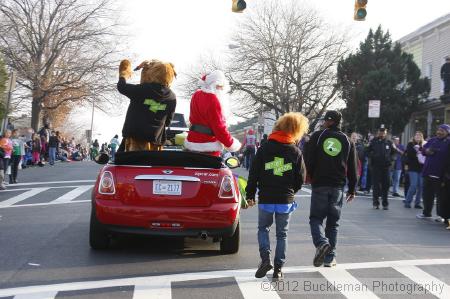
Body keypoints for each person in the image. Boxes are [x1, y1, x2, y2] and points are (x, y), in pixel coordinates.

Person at [246, 112, 308, 280]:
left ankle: (265, 259)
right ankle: (278, 269)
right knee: (282, 234)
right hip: (285, 200)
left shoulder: (264, 148)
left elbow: (254, 173)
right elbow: (301, 178)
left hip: (266, 198)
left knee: (263, 229)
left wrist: (250, 194)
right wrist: (291, 192)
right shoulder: (295, 151)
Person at [304, 110, 358, 268]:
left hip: (320, 183)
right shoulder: (347, 140)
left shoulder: (318, 136)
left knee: (316, 219)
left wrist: (311, 176)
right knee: (333, 223)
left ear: (328, 121)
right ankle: (329, 258)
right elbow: (353, 167)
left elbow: (309, 159)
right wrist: (352, 188)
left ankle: (321, 243)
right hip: (338, 185)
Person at [117, 59, 177, 151]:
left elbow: (122, 87)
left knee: (132, 164)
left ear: (152, 73)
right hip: (155, 143)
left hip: (135, 140)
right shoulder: (172, 97)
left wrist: (124, 74)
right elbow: (168, 121)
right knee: (152, 165)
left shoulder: (143, 89)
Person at [184, 70, 241, 156]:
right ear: (213, 85)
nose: (221, 89)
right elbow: (219, 128)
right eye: (219, 86)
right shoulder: (213, 100)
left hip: (192, 142)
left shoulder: (196, 95)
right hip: (208, 146)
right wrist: (231, 144)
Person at [417, 124, 450, 223]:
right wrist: (426, 151)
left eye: (442, 130)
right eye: (438, 130)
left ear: (447, 132)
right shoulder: (432, 140)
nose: (439, 132)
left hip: (440, 174)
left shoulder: (448, 142)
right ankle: (426, 212)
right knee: (427, 194)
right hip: (428, 172)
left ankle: (441, 215)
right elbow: (423, 150)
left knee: (441, 196)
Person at [367, 127, 396, 210]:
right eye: (380, 132)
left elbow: (394, 153)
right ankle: (375, 203)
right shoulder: (373, 141)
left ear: (386, 133)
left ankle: (385, 203)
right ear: (378, 132)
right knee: (376, 186)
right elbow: (367, 151)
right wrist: (373, 156)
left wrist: (391, 159)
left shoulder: (389, 142)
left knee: (386, 186)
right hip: (376, 167)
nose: (382, 134)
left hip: (386, 167)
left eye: (384, 132)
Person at [404, 132, 426, 209]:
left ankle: (417, 203)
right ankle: (407, 202)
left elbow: (425, 154)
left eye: (420, 135)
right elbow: (410, 154)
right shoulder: (410, 144)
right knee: (413, 185)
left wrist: (420, 150)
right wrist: (418, 152)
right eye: (416, 135)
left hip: (421, 168)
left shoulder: (423, 145)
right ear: (414, 136)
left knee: (421, 186)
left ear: (422, 137)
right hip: (412, 168)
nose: (418, 136)